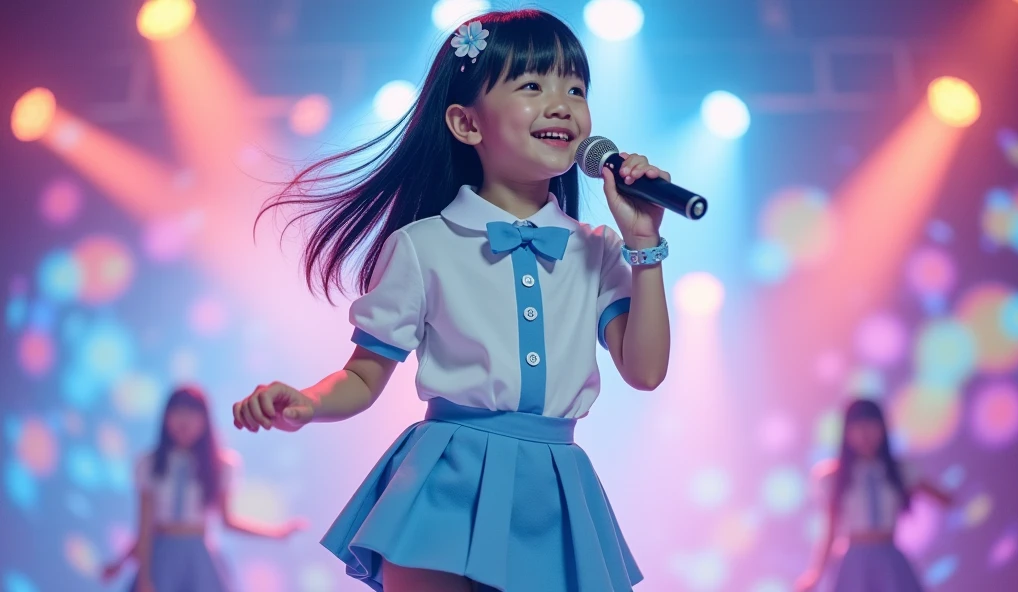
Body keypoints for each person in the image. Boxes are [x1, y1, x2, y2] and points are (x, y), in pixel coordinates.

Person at [232, 8, 673, 592]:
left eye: (575, 87)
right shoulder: (423, 246)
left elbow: (645, 372)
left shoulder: (597, 250)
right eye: (532, 85)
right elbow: (363, 378)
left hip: (555, 486)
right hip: (444, 477)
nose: (562, 103)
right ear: (467, 124)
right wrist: (308, 403)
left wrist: (645, 244)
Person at [104, 386, 304, 591]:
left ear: (205, 420)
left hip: (199, 558)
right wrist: (131, 569)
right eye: (177, 411)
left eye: (192, 412)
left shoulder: (221, 465)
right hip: (160, 558)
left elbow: (228, 521)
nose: (184, 420)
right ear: (165, 418)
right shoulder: (149, 464)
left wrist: (277, 532)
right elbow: (145, 528)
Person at [796, 398, 954, 592]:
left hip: (889, 559)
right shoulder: (834, 477)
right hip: (854, 562)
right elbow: (830, 530)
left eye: (872, 427)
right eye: (857, 428)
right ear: (847, 433)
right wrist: (815, 573)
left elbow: (944, 498)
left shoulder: (900, 471)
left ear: (883, 429)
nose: (865, 435)